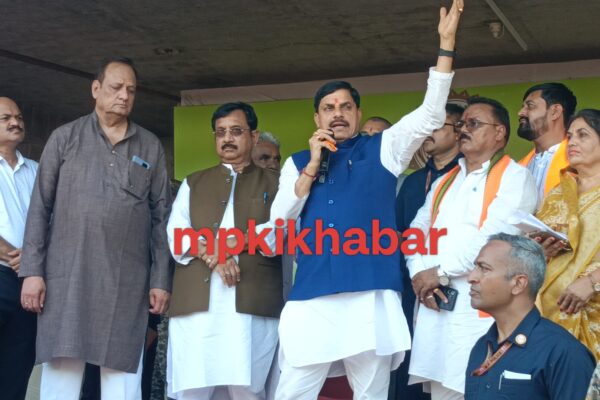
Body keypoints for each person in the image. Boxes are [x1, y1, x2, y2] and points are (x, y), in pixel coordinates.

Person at [268, 1, 464, 398]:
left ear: (358, 113)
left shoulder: (384, 149)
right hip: (313, 295)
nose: (337, 114)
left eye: (345, 106)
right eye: (328, 108)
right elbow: (280, 221)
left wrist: (445, 46)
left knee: (371, 393)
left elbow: (430, 115)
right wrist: (313, 166)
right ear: (317, 119)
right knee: (291, 392)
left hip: (370, 295)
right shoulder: (299, 162)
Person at [19, 57, 172, 400]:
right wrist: (33, 272)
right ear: (96, 88)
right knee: (61, 376)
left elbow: (162, 217)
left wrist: (160, 280)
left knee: (122, 382)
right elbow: (40, 208)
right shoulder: (65, 137)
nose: (124, 96)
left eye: (131, 90)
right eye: (116, 87)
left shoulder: (149, 145)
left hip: (126, 283)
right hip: (66, 279)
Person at [406, 97, 537, 400]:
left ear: (499, 133)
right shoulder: (444, 181)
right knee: (441, 392)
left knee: (479, 388)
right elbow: (415, 233)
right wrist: (419, 275)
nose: (463, 129)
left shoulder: (515, 177)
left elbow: (492, 241)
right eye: (462, 124)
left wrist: (438, 273)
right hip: (434, 306)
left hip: (477, 312)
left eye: (473, 124)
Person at [166, 101, 282, 399]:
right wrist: (215, 256)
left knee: (248, 390)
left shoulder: (276, 183)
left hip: (252, 307)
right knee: (193, 388)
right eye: (221, 132)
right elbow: (176, 235)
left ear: (253, 136)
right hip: (197, 308)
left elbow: (279, 233)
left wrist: (236, 241)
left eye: (236, 131)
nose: (227, 138)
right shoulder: (194, 182)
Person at [390, 101, 464, 400]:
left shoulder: (468, 177)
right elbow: (400, 234)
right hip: (410, 284)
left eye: (438, 126)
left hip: (452, 285)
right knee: (407, 366)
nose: (428, 132)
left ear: (458, 132)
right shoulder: (413, 181)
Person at [465, 233, 595, 400]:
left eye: (484, 268)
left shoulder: (564, 353)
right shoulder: (482, 347)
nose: (471, 278)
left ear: (518, 284)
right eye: (475, 267)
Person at [534, 108, 600, 360]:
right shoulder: (558, 193)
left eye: (583, 135)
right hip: (549, 313)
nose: (572, 142)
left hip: (593, 312)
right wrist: (539, 251)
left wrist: (591, 282)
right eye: (570, 136)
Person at [0, 97, 38, 400]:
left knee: (17, 366)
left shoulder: (37, 171)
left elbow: (55, 222)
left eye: (19, 117)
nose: (16, 122)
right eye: (6, 118)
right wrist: (18, 257)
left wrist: (33, 258)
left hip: (29, 283)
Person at [517, 83, 577, 205]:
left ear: (555, 112)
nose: (521, 112)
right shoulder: (519, 167)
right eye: (523, 107)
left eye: (530, 106)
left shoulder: (580, 163)